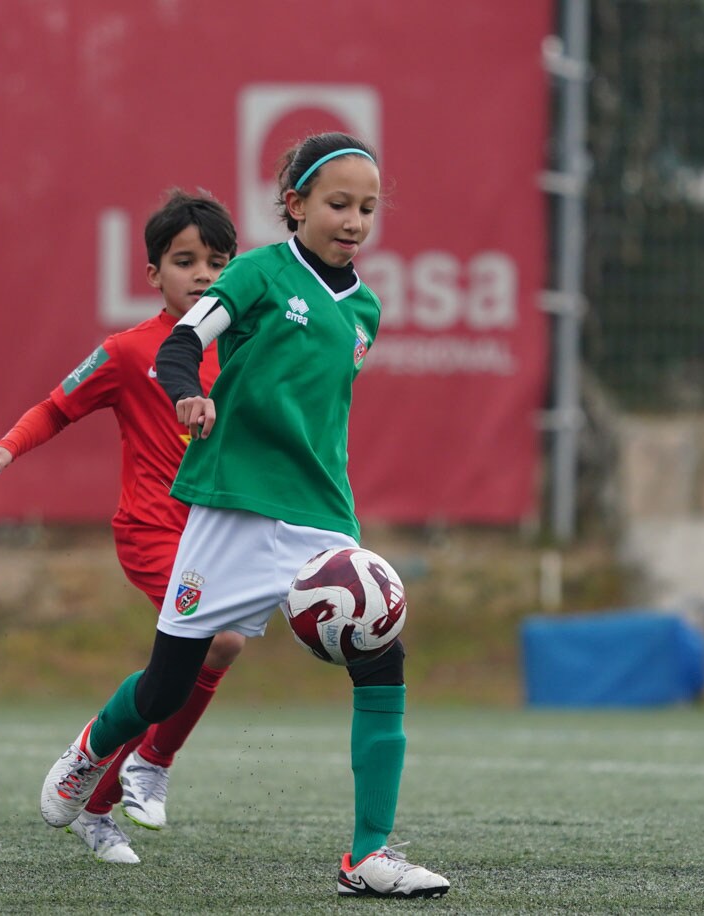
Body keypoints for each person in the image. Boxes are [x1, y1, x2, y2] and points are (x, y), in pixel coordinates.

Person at [38, 133, 450, 899]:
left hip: (322, 516)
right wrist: (188, 389)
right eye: (337, 204)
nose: (354, 220)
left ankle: (368, 856)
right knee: (165, 688)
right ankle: (95, 748)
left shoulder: (365, 307)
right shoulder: (260, 271)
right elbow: (184, 342)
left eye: (367, 207)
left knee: (383, 659)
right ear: (294, 205)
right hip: (231, 509)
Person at [0, 189, 244, 865]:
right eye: (184, 260)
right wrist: (8, 447)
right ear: (152, 274)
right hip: (153, 532)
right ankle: (149, 765)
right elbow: (56, 406)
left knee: (210, 656)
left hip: (221, 536)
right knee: (220, 641)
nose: (202, 274)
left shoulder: (244, 348)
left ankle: (102, 800)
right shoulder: (128, 351)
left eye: (217, 261)